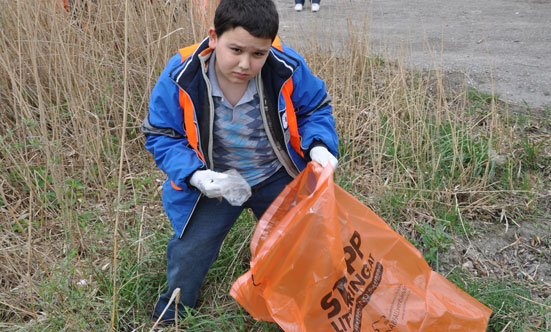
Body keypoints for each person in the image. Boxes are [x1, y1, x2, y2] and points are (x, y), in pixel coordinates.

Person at [141, 0, 338, 324]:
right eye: (235, 50)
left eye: (258, 54)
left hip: (275, 175)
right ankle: (173, 310)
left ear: (269, 47)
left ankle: (308, 303)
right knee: (190, 251)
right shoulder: (181, 74)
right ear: (214, 37)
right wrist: (195, 175)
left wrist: (318, 145)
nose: (245, 64)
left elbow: (314, 108)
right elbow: (161, 133)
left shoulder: (286, 66)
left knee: (304, 241)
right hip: (215, 183)